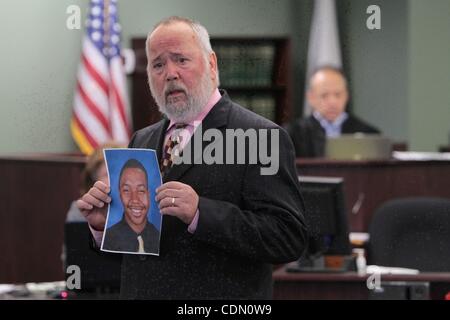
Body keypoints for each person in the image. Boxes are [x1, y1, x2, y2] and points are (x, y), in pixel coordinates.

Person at [76, 16, 307, 299]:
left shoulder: (261, 136)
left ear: (211, 64)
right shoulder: (142, 140)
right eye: (158, 64)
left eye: (181, 60)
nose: (170, 73)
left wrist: (201, 212)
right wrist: (104, 227)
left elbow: (287, 237)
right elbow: (136, 249)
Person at [286, 66, 380, 157]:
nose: (332, 102)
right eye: (324, 95)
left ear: (346, 96)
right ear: (311, 98)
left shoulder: (369, 135)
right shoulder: (291, 135)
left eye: (338, 94)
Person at [102, 159, 159, 254]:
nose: (135, 199)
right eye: (126, 190)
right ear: (119, 194)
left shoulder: (160, 236)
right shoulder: (108, 238)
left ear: (148, 194)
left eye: (141, 190)